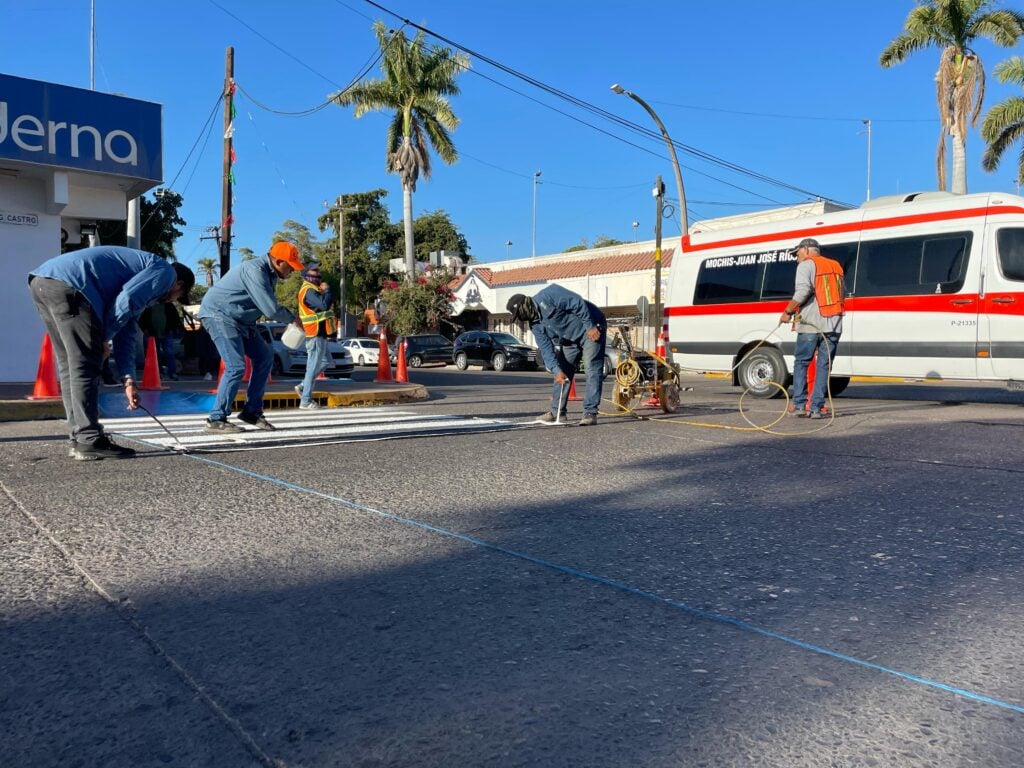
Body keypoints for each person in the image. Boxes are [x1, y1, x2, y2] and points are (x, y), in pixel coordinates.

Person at [28, 246, 195, 460]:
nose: (172, 300)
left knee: (71, 366)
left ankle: (79, 437)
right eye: (179, 296)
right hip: (72, 284)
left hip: (42, 280)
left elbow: (126, 327)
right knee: (85, 366)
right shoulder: (165, 273)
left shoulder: (144, 274)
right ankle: (89, 439)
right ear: (179, 284)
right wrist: (103, 338)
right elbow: (125, 302)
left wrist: (128, 380)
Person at [197, 241, 303, 432]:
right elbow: (270, 309)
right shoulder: (254, 270)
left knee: (264, 357)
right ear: (279, 262)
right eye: (290, 266)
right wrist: (293, 318)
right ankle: (215, 419)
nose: (292, 271)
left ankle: (251, 411)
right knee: (236, 366)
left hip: (242, 321)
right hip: (219, 315)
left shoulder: (270, 273)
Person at [507, 284, 606, 426]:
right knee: (562, 372)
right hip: (569, 340)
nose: (520, 319)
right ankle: (557, 412)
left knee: (591, 368)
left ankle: (590, 412)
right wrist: (556, 370)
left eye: (519, 315)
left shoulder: (549, 294)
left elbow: (577, 302)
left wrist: (590, 326)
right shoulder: (535, 325)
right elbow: (546, 349)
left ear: (524, 306)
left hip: (589, 328)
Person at [778, 237, 845, 419]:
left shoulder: (807, 265)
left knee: (802, 362)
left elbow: (802, 291)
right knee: (824, 365)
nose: (796, 258)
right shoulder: (836, 266)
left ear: (807, 250)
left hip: (811, 323)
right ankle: (816, 408)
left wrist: (787, 312)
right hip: (834, 324)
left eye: (797, 253)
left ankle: (799, 405)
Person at [294, 265, 336, 410]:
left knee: (325, 362)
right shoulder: (309, 290)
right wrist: (328, 291)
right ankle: (305, 400)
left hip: (320, 333)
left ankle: (303, 386)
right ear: (307, 275)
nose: (318, 274)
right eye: (314, 271)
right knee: (312, 367)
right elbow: (324, 305)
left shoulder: (313, 289)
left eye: (319, 271)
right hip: (315, 333)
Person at [139, 301, 183, 380]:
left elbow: (175, 317)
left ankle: (172, 373)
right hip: (152, 333)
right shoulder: (148, 305)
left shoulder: (168, 304)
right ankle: (158, 373)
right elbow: (141, 318)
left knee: (169, 352)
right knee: (155, 354)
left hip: (166, 332)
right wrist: (144, 329)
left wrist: (173, 328)